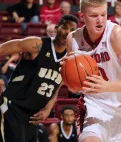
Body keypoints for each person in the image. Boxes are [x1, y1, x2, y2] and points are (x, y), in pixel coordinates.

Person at [66, 0, 121, 142]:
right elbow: (73, 85)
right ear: (81, 16)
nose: (100, 20)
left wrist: (106, 87)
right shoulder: (73, 39)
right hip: (93, 107)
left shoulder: (117, 35)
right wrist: (69, 80)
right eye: (94, 16)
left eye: (103, 14)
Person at [0, 14, 78, 142]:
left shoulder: (69, 59)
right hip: (13, 106)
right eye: (65, 28)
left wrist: (48, 109)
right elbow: (2, 49)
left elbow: (56, 86)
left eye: (72, 31)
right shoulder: (37, 44)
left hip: (32, 115)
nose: (67, 33)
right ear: (57, 28)